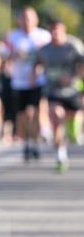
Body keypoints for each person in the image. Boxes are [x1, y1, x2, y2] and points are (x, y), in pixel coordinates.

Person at [35, 19, 84, 171]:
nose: (55, 34)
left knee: (74, 119)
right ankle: (60, 155)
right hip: (53, 91)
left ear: (64, 30)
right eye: (52, 31)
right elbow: (37, 64)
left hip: (72, 90)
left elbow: (82, 65)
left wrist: (73, 77)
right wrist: (35, 74)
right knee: (56, 117)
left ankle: (74, 132)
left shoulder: (74, 46)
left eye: (58, 31)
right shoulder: (45, 50)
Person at [4, 7, 51, 161]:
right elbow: (5, 57)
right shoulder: (13, 36)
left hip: (37, 81)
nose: (27, 21)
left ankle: (35, 141)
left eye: (30, 18)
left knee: (35, 112)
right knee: (22, 115)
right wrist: (13, 56)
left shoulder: (43, 36)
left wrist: (38, 68)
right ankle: (26, 143)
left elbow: (49, 58)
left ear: (36, 20)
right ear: (19, 20)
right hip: (18, 81)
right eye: (24, 18)